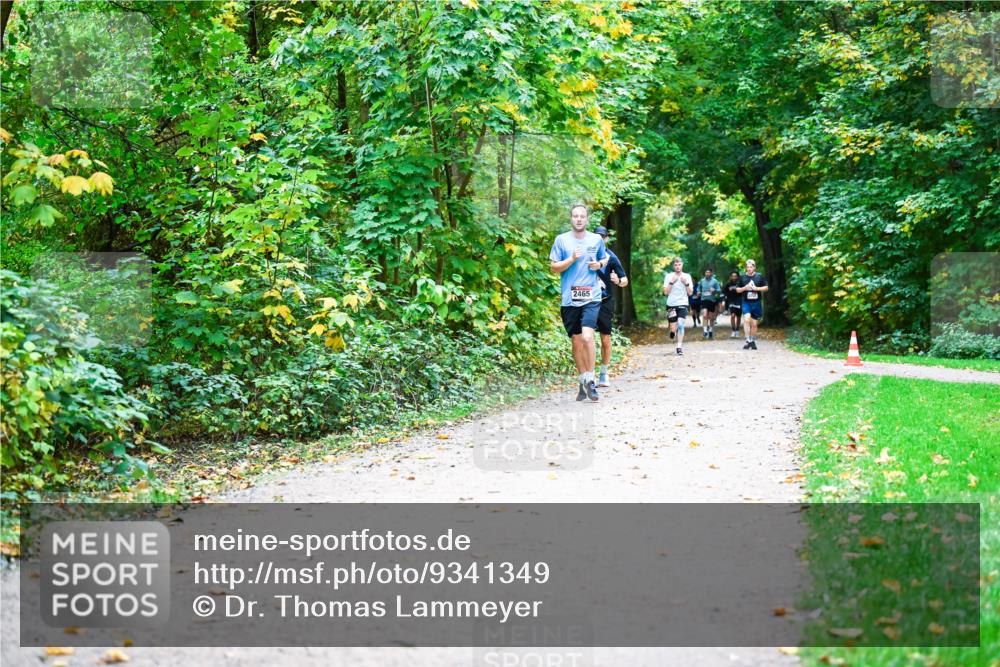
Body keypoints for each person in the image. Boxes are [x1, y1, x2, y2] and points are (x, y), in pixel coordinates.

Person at [549, 204, 609, 401]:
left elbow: (604, 259)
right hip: (569, 299)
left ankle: (591, 380)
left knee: (587, 337)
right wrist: (572, 259)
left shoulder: (596, 239)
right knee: (576, 341)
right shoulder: (561, 240)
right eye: (576, 216)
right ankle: (583, 379)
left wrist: (598, 265)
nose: (579, 219)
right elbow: (554, 268)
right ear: (571, 219)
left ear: (587, 219)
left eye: (582, 216)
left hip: (591, 297)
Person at [593, 225, 629, 388]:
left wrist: (618, 281)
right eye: (597, 236)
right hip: (587, 301)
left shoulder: (612, 257)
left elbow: (625, 280)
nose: (600, 239)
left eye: (602, 236)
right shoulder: (586, 254)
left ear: (606, 238)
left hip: (605, 301)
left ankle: (604, 372)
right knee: (585, 338)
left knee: (605, 338)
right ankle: (588, 374)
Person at [662, 257, 693, 356]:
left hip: (683, 303)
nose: (677, 266)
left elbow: (690, 293)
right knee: (673, 327)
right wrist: (672, 282)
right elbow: (665, 292)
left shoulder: (687, 276)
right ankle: (672, 331)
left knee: (680, 325)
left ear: (682, 265)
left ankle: (679, 347)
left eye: (679, 264)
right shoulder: (668, 276)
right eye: (675, 265)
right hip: (671, 304)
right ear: (673, 266)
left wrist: (686, 283)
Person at [735, 259, 768, 349]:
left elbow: (766, 288)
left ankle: (752, 340)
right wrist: (745, 288)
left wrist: (756, 288)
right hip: (746, 302)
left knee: (754, 324)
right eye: (747, 267)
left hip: (756, 302)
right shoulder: (742, 277)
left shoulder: (759, 276)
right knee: (746, 319)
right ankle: (747, 339)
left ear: (754, 267)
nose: (749, 268)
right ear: (746, 267)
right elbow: (737, 289)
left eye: (751, 267)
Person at [697, 269, 722, 339]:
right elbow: (698, 288)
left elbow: (719, 290)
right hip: (704, 300)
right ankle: (705, 331)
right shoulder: (702, 281)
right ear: (705, 273)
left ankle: (710, 331)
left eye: (709, 272)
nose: (707, 274)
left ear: (711, 273)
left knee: (711, 317)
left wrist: (715, 290)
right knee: (704, 315)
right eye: (706, 272)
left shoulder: (715, 281)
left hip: (712, 300)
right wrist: (698, 292)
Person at [724, 271, 742, 338]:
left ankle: (737, 330)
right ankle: (733, 330)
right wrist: (724, 300)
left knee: (738, 316)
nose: (734, 277)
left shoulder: (740, 283)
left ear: (737, 277)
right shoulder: (728, 284)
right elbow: (724, 291)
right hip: (731, 301)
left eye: (735, 276)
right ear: (730, 277)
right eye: (732, 276)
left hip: (739, 301)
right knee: (732, 315)